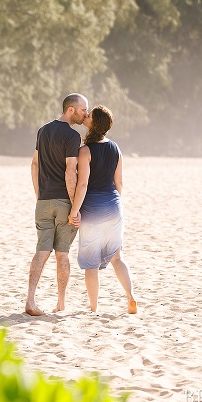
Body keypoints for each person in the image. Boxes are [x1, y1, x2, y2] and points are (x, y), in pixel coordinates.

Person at [68, 105, 137, 314]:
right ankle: (131, 297)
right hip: (115, 207)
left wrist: (74, 211)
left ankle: (94, 307)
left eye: (89, 116)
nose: (85, 117)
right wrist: (114, 205)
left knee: (91, 264)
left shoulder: (85, 150)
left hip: (92, 209)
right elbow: (119, 183)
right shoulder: (116, 148)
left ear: (93, 123)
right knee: (117, 258)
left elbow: (83, 184)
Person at [25, 93, 88, 315]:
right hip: (63, 202)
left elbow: (34, 165)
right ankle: (61, 303)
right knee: (62, 253)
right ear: (70, 110)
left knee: (41, 250)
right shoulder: (72, 136)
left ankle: (30, 300)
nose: (85, 114)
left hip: (43, 201)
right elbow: (70, 172)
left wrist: (39, 195)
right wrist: (75, 207)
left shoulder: (43, 130)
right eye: (82, 110)